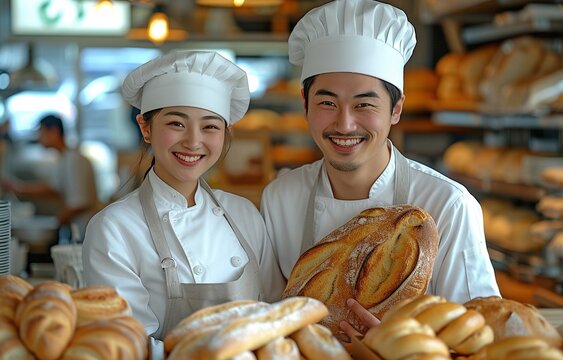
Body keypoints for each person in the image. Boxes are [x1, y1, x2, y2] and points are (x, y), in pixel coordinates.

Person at [260, 0, 500, 338]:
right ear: (305, 104)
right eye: (327, 103)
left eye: (364, 105)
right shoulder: (280, 198)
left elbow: (479, 334)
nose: (344, 124)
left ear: (396, 108)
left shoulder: (447, 204)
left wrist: (403, 342)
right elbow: (269, 318)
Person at [82, 50, 285, 357]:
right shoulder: (113, 228)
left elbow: (274, 313)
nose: (193, 142)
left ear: (226, 133)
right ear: (145, 128)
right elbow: (126, 344)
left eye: (210, 126)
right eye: (176, 124)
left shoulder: (244, 214)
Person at [1, 114, 99, 242]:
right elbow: (51, 188)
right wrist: (18, 188)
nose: (39, 137)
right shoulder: (64, 159)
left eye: (41, 132)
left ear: (54, 132)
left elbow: (79, 203)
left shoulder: (74, 160)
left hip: (84, 230)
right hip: (77, 231)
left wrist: (54, 224)